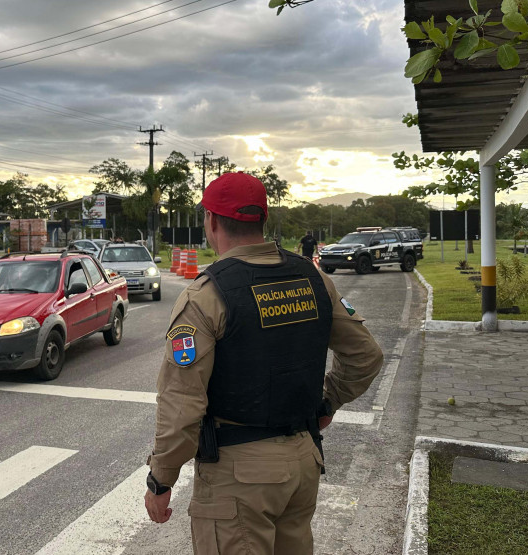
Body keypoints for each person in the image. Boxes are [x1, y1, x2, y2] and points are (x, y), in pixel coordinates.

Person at [143, 172, 383, 555]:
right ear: (263, 219)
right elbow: (366, 356)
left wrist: (160, 480)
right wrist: (326, 402)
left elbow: (182, 404)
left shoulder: (207, 295)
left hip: (240, 477)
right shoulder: (313, 278)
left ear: (212, 221)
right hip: (303, 463)